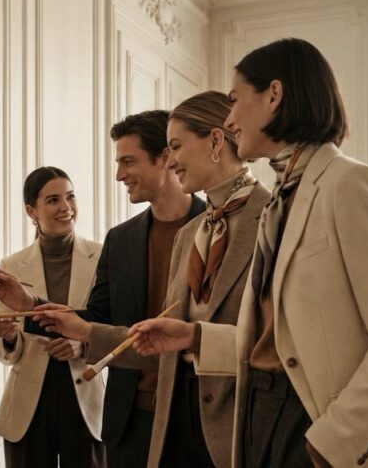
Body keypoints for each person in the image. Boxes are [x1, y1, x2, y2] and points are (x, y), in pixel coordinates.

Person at [129, 38, 368, 468]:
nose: (230, 120)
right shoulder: (281, 200)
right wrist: (194, 337)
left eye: (235, 99)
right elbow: (280, 343)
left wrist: (332, 443)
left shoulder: (349, 184)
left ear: (273, 95)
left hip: (314, 427)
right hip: (260, 421)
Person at [34, 91, 270, 467]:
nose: (171, 160)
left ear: (215, 141)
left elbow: (281, 343)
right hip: (163, 426)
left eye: (175, 147)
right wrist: (83, 330)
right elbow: (161, 341)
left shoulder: (274, 218)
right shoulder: (191, 234)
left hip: (239, 429)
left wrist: (195, 337)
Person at [0, 110, 205, 468]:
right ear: (31, 211)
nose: (118, 175)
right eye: (118, 163)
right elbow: (97, 318)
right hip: (129, 420)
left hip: (196, 415)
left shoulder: (215, 225)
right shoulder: (122, 240)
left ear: (165, 157)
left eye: (128, 161)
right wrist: (29, 303)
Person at [0, 166, 105, 468]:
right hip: (27, 409)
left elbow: (114, 328)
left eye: (70, 196)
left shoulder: (103, 256)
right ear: (31, 211)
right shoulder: (11, 265)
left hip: (85, 402)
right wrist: (9, 338)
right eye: (53, 200)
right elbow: (6, 355)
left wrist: (84, 346)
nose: (66, 207)